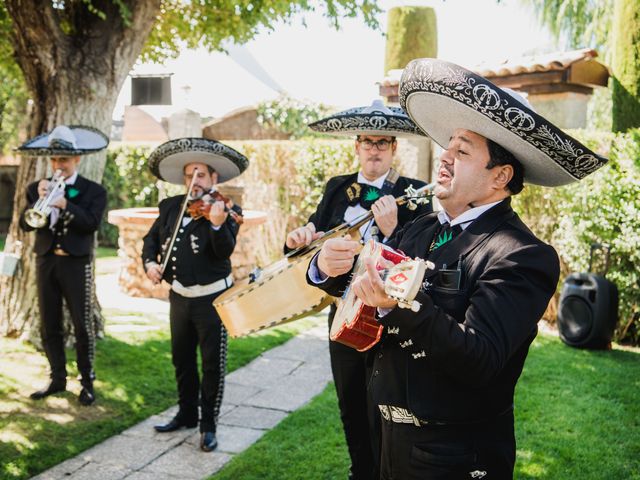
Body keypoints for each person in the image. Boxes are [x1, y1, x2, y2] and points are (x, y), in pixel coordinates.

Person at [309, 59, 608, 479]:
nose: (444, 157)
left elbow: (479, 358)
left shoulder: (522, 255)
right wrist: (324, 268)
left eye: (462, 151)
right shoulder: (419, 230)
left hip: (455, 456)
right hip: (390, 444)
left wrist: (397, 307)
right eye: (448, 146)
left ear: (500, 176)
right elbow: (367, 277)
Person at [286, 100, 433, 480]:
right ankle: (360, 472)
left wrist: (391, 231)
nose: (374, 149)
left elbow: (421, 260)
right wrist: (300, 238)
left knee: (387, 404)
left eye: (383, 142)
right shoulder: (337, 188)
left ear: (394, 148)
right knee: (350, 402)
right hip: (344, 315)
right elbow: (316, 236)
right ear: (356, 145)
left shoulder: (415, 194)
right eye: (367, 141)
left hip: (389, 318)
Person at [142, 137, 248, 452]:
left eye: (201, 175)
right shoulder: (171, 206)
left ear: (214, 179)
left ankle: (208, 426)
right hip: (179, 297)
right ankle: (186, 414)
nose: (195, 181)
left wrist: (217, 226)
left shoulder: (227, 209)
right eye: (190, 176)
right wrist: (150, 263)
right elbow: (150, 240)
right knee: (182, 359)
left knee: (212, 363)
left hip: (212, 300)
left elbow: (224, 251)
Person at [18, 125, 109, 406]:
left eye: (64, 160)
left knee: (82, 326)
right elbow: (25, 223)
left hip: (75, 264)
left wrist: (65, 204)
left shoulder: (93, 191)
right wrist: (38, 197)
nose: (59, 165)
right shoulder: (37, 187)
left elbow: (91, 224)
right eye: (55, 160)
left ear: (77, 160)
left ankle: (87, 382)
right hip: (46, 261)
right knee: (50, 324)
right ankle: (57, 378)